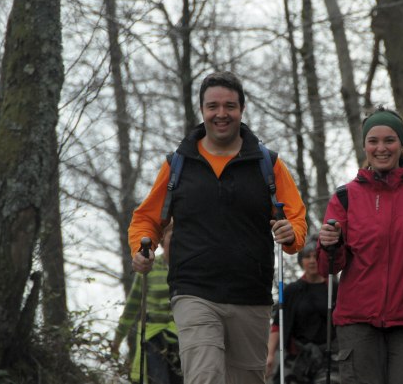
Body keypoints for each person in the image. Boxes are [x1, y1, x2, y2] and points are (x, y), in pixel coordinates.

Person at [129, 71, 308, 384]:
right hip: (193, 291)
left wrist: (291, 234)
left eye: (230, 106)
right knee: (205, 376)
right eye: (213, 106)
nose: (221, 114)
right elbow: (147, 218)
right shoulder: (178, 164)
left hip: (251, 294)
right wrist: (142, 246)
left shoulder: (268, 164)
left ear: (242, 109)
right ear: (202, 110)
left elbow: (296, 218)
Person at [317, 107, 403, 384]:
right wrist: (330, 245)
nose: (381, 148)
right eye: (373, 141)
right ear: (364, 145)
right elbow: (327, 267)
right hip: (357, 322)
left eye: (389, 140)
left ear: (401, 144)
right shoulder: (344, 197)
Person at [112, 221, 182, 384]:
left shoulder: (187, 270)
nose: (175, 243)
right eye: (172, 237)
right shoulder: (149, 268)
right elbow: (132, 306)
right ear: (163, 240)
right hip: (153, 337)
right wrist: (117, 339)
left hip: (181, 336)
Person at [265, 240, 339, 384]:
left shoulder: (334, 289)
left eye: (316, 256)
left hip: (328, 357)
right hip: (297, 357)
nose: (312, 261)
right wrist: (270, 355)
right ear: (301, 261)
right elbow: (277, 325)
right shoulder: (290, 291)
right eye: (307, 257)